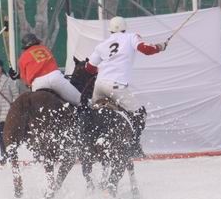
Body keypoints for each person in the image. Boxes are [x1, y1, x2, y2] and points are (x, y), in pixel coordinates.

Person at [82, 15, 167, 153]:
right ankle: (134, 145)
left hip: (99, 85)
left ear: (110, 30)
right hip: (117, 87)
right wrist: (160, 47)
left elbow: (89, 68)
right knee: (140, 113)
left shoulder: (102, 45)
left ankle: (86, 140)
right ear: (124, 28)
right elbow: (146, 50)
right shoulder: (131, 37)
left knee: (92, 112)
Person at [12, 33, 82, 105]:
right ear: (37, 42)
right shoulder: (44, 49)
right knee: (80, 100)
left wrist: (19, 76)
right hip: (55, 77)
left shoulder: (22, 58)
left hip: (38, 84)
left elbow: (25, 81)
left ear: (25, 47)